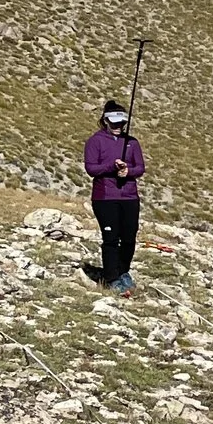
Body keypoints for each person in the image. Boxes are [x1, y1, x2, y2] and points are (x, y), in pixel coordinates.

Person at [82, 100, 148, 294]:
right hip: (105, 197)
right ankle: (111, 277)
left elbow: (140, 168)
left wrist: (127, 171)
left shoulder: (132, 142)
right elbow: (91, 168)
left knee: (129, 237)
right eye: (114, 122)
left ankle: (123, 271)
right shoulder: (95, 141)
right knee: (111, 238)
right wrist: (112, 166)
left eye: (121, 123)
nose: (118, 127)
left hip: (129, 196)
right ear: (105, 121)